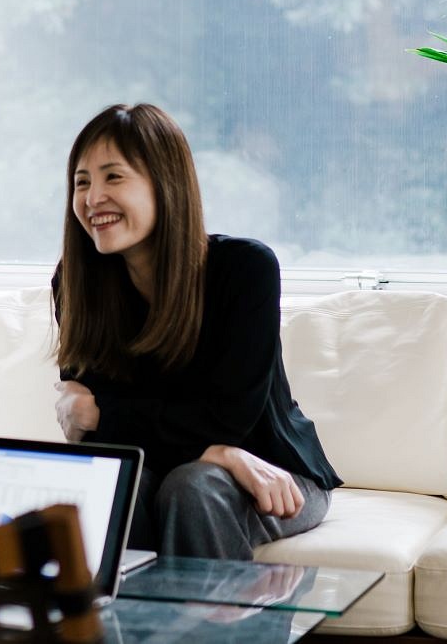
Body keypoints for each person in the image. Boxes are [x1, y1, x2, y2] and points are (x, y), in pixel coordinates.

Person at [52, 103, 341, 560]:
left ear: (165, 185)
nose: (91, 198)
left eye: (114, 177)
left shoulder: (244, 270)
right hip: (183, 466)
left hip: (273, 471)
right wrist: (218, 451)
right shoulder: (76, 283)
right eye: (81, 181)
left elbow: (228, 419)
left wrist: (104, 413)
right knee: (118, 480)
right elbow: (105, 443)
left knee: (192, 487)